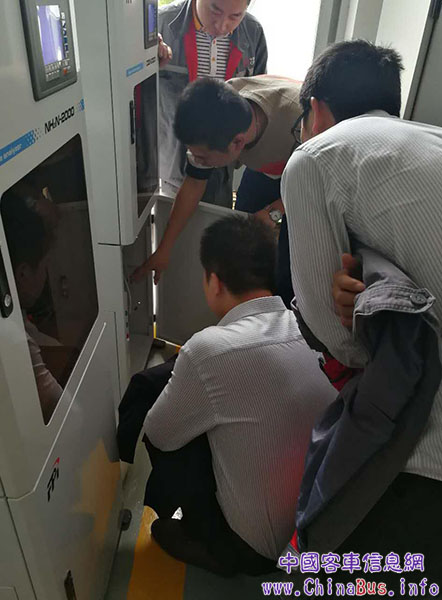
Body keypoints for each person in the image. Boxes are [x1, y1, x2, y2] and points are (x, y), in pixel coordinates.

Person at [281, 39, 442, 589]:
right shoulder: (429, 141)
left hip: (424, 450)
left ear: (316, 110)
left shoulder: (315, 158)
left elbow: (333, 337)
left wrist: (360, 318)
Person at [119, 215, 336, 576]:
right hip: (316, 525)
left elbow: (158, 434)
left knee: (170, 416)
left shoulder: (208, 349)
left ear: (215, 282)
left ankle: (209, 541)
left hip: (256, 551)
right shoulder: (310, 325)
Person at [134, 75, 302, 306]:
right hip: (266, 167)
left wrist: (275, 212)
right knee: (245, 243)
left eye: (203, 157)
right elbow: (194, 184)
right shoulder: (221, 113)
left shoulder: (299, 122)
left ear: (237, 143)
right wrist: (164, 249)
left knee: (288, 264)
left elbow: (314, 182)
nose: (198, 161)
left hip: (307, 169)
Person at [158, 0, 267, 205]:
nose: (222, 25)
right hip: (171, 163)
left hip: (221, 162)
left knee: (215, 219)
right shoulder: (161, 25)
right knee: (170, 216)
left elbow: (258, 93)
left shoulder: (253, 32)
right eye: (215, 10)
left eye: (235, 16)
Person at [1, 190, 63, 422]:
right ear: (23, 274)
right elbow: (65, 410)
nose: (46, 275)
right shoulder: (14, 339)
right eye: (44, 266)